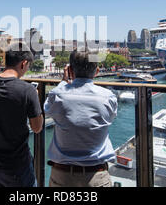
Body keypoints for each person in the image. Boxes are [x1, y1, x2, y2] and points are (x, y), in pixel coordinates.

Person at [44, 49, 118, 187]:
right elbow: (111, 117)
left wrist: (63, 83)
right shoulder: (109, 97)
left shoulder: (58, 95)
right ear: (97, 71)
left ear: (70, 70)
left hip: (62, 175)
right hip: (97, 174)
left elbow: (47, 111)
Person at [0, 42, 43, 187]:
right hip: (17, 164)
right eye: (28, 66)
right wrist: (35, 100)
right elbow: (37, 127)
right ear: (23, 63)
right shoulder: (27, 90)